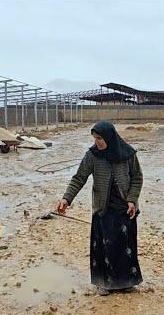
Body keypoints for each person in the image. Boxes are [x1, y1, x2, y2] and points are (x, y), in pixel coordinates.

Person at [58, 121, 143, 295]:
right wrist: (66, 199)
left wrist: (132, 200)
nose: (97, 142)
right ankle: (104, 283)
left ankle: (127, 282)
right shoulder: (92, 155)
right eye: (95, 138)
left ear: (110, 137)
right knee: (105, 246)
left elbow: (137, 177)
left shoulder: (128, 154)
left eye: (100, 138)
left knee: (125, 246)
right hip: (103, 208)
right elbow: (79, 178)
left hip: (125, 207)